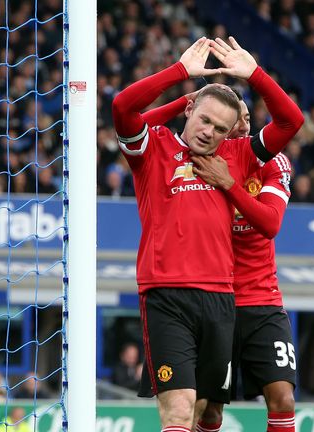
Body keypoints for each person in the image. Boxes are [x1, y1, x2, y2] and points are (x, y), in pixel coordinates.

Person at [111, 37, 303, 432]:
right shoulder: (153, 148)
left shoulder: (237, 157)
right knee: (180, 410)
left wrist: (255, 75)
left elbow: (291, 122)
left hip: (222, 300)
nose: (208, 132)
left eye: (220, 128)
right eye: (203, 120)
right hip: (166, 295)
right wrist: (180, 76)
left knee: (206, 411)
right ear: (189, 111)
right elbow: (122, 107)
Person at [144, 89, 297, 431]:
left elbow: (270, 223)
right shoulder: (198, 160)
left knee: (283, 398)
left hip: (260, 299)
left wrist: (229, 184)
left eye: (243, 118)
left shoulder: (268, 163)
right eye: (229, 122)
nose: (238, 126)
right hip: (214, 299)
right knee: (207, 410)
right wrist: (187, 99)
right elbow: (138, 130)